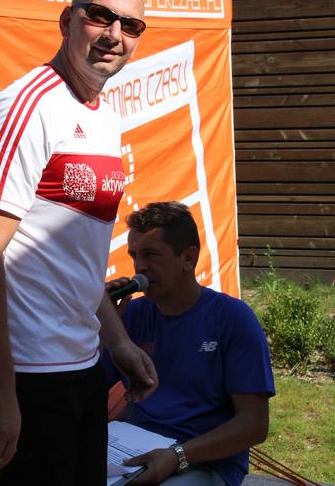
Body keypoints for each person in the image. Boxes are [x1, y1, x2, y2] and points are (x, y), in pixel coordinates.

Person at [0, 0, 157, 486]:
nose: (114, 34)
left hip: (79, 358)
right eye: (100, 16)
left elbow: (75, 259)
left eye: (130, 25)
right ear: (68, 21)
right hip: (24, 370)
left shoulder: (103, 114)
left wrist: (118, 343)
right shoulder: (27, 107)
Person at [104, 202, 275, 486]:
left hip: (204, 462)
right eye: (134, 255)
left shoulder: (232, 319)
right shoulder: (131, 315)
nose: (139, 267)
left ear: (188, 258)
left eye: (151, 254)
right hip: (133, 449)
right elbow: (86, 390)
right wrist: (105, 327)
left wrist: (177, 456)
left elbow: (254, 425)